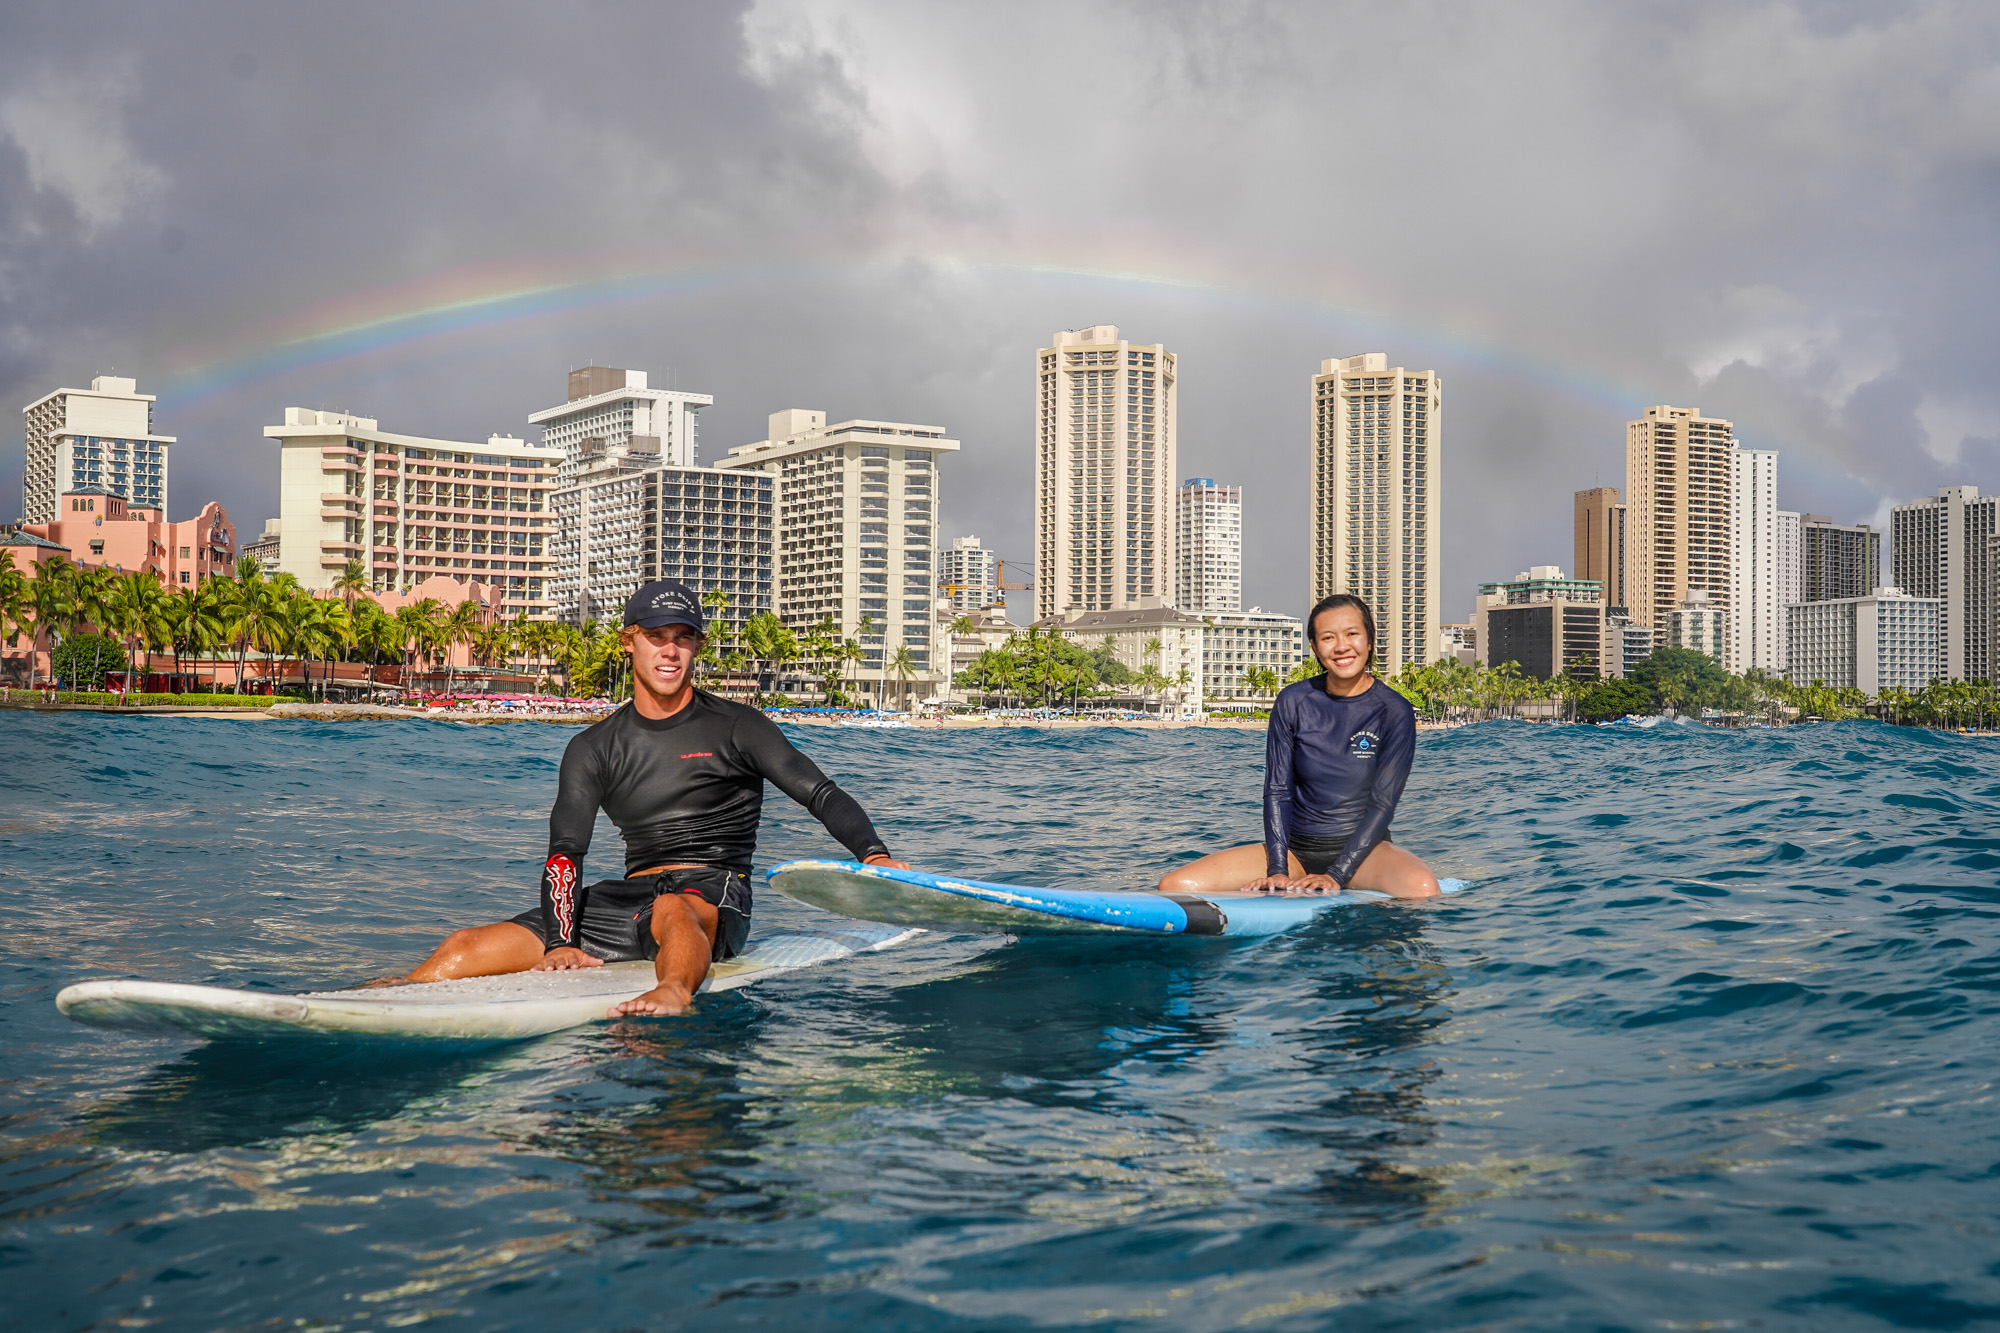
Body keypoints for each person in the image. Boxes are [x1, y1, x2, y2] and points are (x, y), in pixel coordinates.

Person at [390, 578, 912, 1016]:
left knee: (672, 907)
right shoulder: (594, 747)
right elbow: (565, 854)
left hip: (713, 893)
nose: (670, 650)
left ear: (696, 647)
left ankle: (674, 991)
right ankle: (383, 998)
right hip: (627, 900)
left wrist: (874, 855)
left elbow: (820, 793)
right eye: (656, 636)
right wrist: (561, 942)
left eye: (683, 638)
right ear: (629, 642)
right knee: (464, 946)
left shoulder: (737, 726)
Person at [1158, 593, 1439, 899]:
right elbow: (1278, 790)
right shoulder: (1293, 701)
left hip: (1365, 855)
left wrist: (1336, 875)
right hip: (1295, 852)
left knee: (1422, 888)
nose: (1341, 646)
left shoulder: (1393, 710)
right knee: (1175, 885)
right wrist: (1277, 870)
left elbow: (1383, 803)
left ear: (1370, 640)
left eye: (1352, 634)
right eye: (1328, 637)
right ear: (1315, 647)